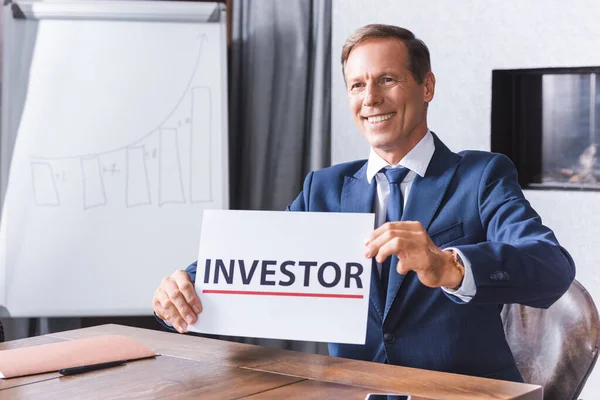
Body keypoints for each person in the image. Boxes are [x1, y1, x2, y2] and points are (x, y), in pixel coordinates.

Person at [153, 24, 575, 382]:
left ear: (426, 86)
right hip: (352, 390)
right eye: (357, 85)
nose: (370, 98)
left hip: (460, 392)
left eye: (387, 80)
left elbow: (551, 267)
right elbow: (255, 260)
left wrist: (449, 266)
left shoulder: (482, 176)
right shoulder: (325, 187)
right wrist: (188, 284)